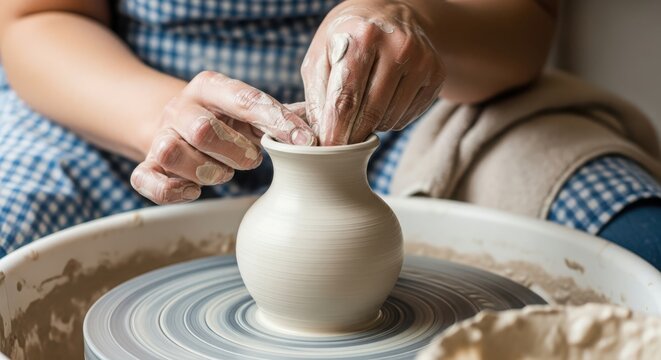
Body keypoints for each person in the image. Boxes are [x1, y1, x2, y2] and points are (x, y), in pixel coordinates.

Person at [0, 0, 660, 268]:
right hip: (131, 101)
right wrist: (163, 118)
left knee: (633, 245)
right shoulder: (148, 111)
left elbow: (523, 27)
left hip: (419, 107)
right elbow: (35, 18)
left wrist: (414, 17)